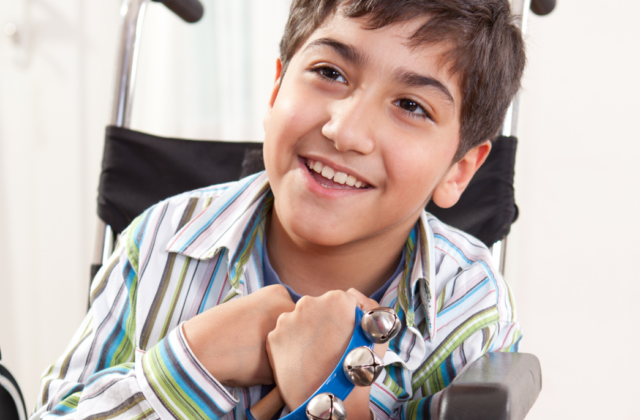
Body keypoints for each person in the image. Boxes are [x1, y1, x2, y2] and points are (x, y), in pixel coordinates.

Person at [33, 0, 525, 419]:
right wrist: (191, 360)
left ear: (459, 169)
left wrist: (332, 393)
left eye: (412, 106)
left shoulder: (468, 304)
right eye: (330, 73)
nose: (345, 130)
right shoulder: (160, 240)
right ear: (276, 88)